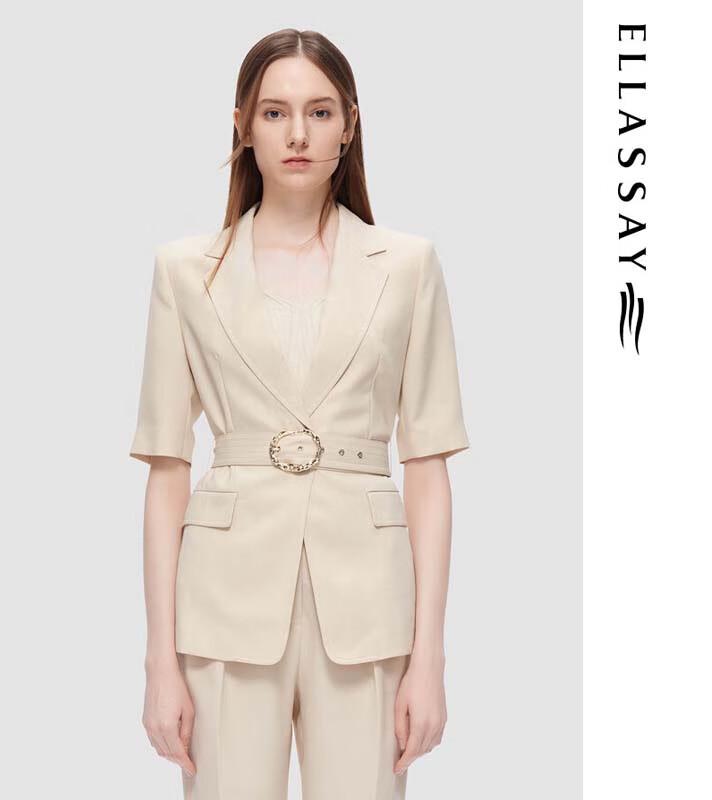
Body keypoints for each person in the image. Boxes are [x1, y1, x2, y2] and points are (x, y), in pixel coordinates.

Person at [129, 28, 470, 800]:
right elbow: (165, 470)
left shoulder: (408, 267)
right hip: (221, 599)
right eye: (275, 112)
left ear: (349, 125)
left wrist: (429, 658)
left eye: (319, 112)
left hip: (368, 603)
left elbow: (428, 466)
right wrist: (158, 661)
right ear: (243, 126)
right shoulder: (183, 271)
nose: (297, 134)